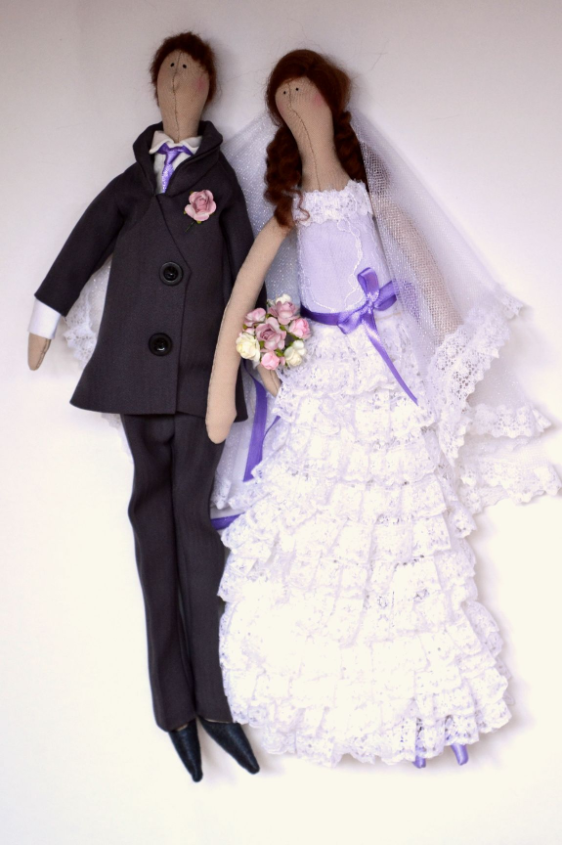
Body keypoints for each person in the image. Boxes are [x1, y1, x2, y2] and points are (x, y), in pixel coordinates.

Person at [205, 50, 560, 767]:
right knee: (329, 526)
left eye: (305, 90)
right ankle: (343, 700)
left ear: (331, 101)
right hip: (329, 367)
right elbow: (241, 297)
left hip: (390, 357)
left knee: (407, 526)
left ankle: (433, 702)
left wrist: (453, 353)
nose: (296, 101)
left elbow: (428, 276)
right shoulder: (289, 213)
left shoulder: (374, 201)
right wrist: (236, 376)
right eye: (284, 95)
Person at [27, 31, 260, 782]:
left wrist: (264, 350)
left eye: (192, 72)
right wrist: (45, 316)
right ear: (155, 87)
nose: (180, 81)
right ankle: (174, 706)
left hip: (200, 381)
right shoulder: (131, 183)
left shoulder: (221, 181)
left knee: (195, 527)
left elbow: (247, 269)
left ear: (209, 87)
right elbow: (84, 243)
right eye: (170, 71)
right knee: (151, 526)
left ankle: (215, 703)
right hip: (135, 374)